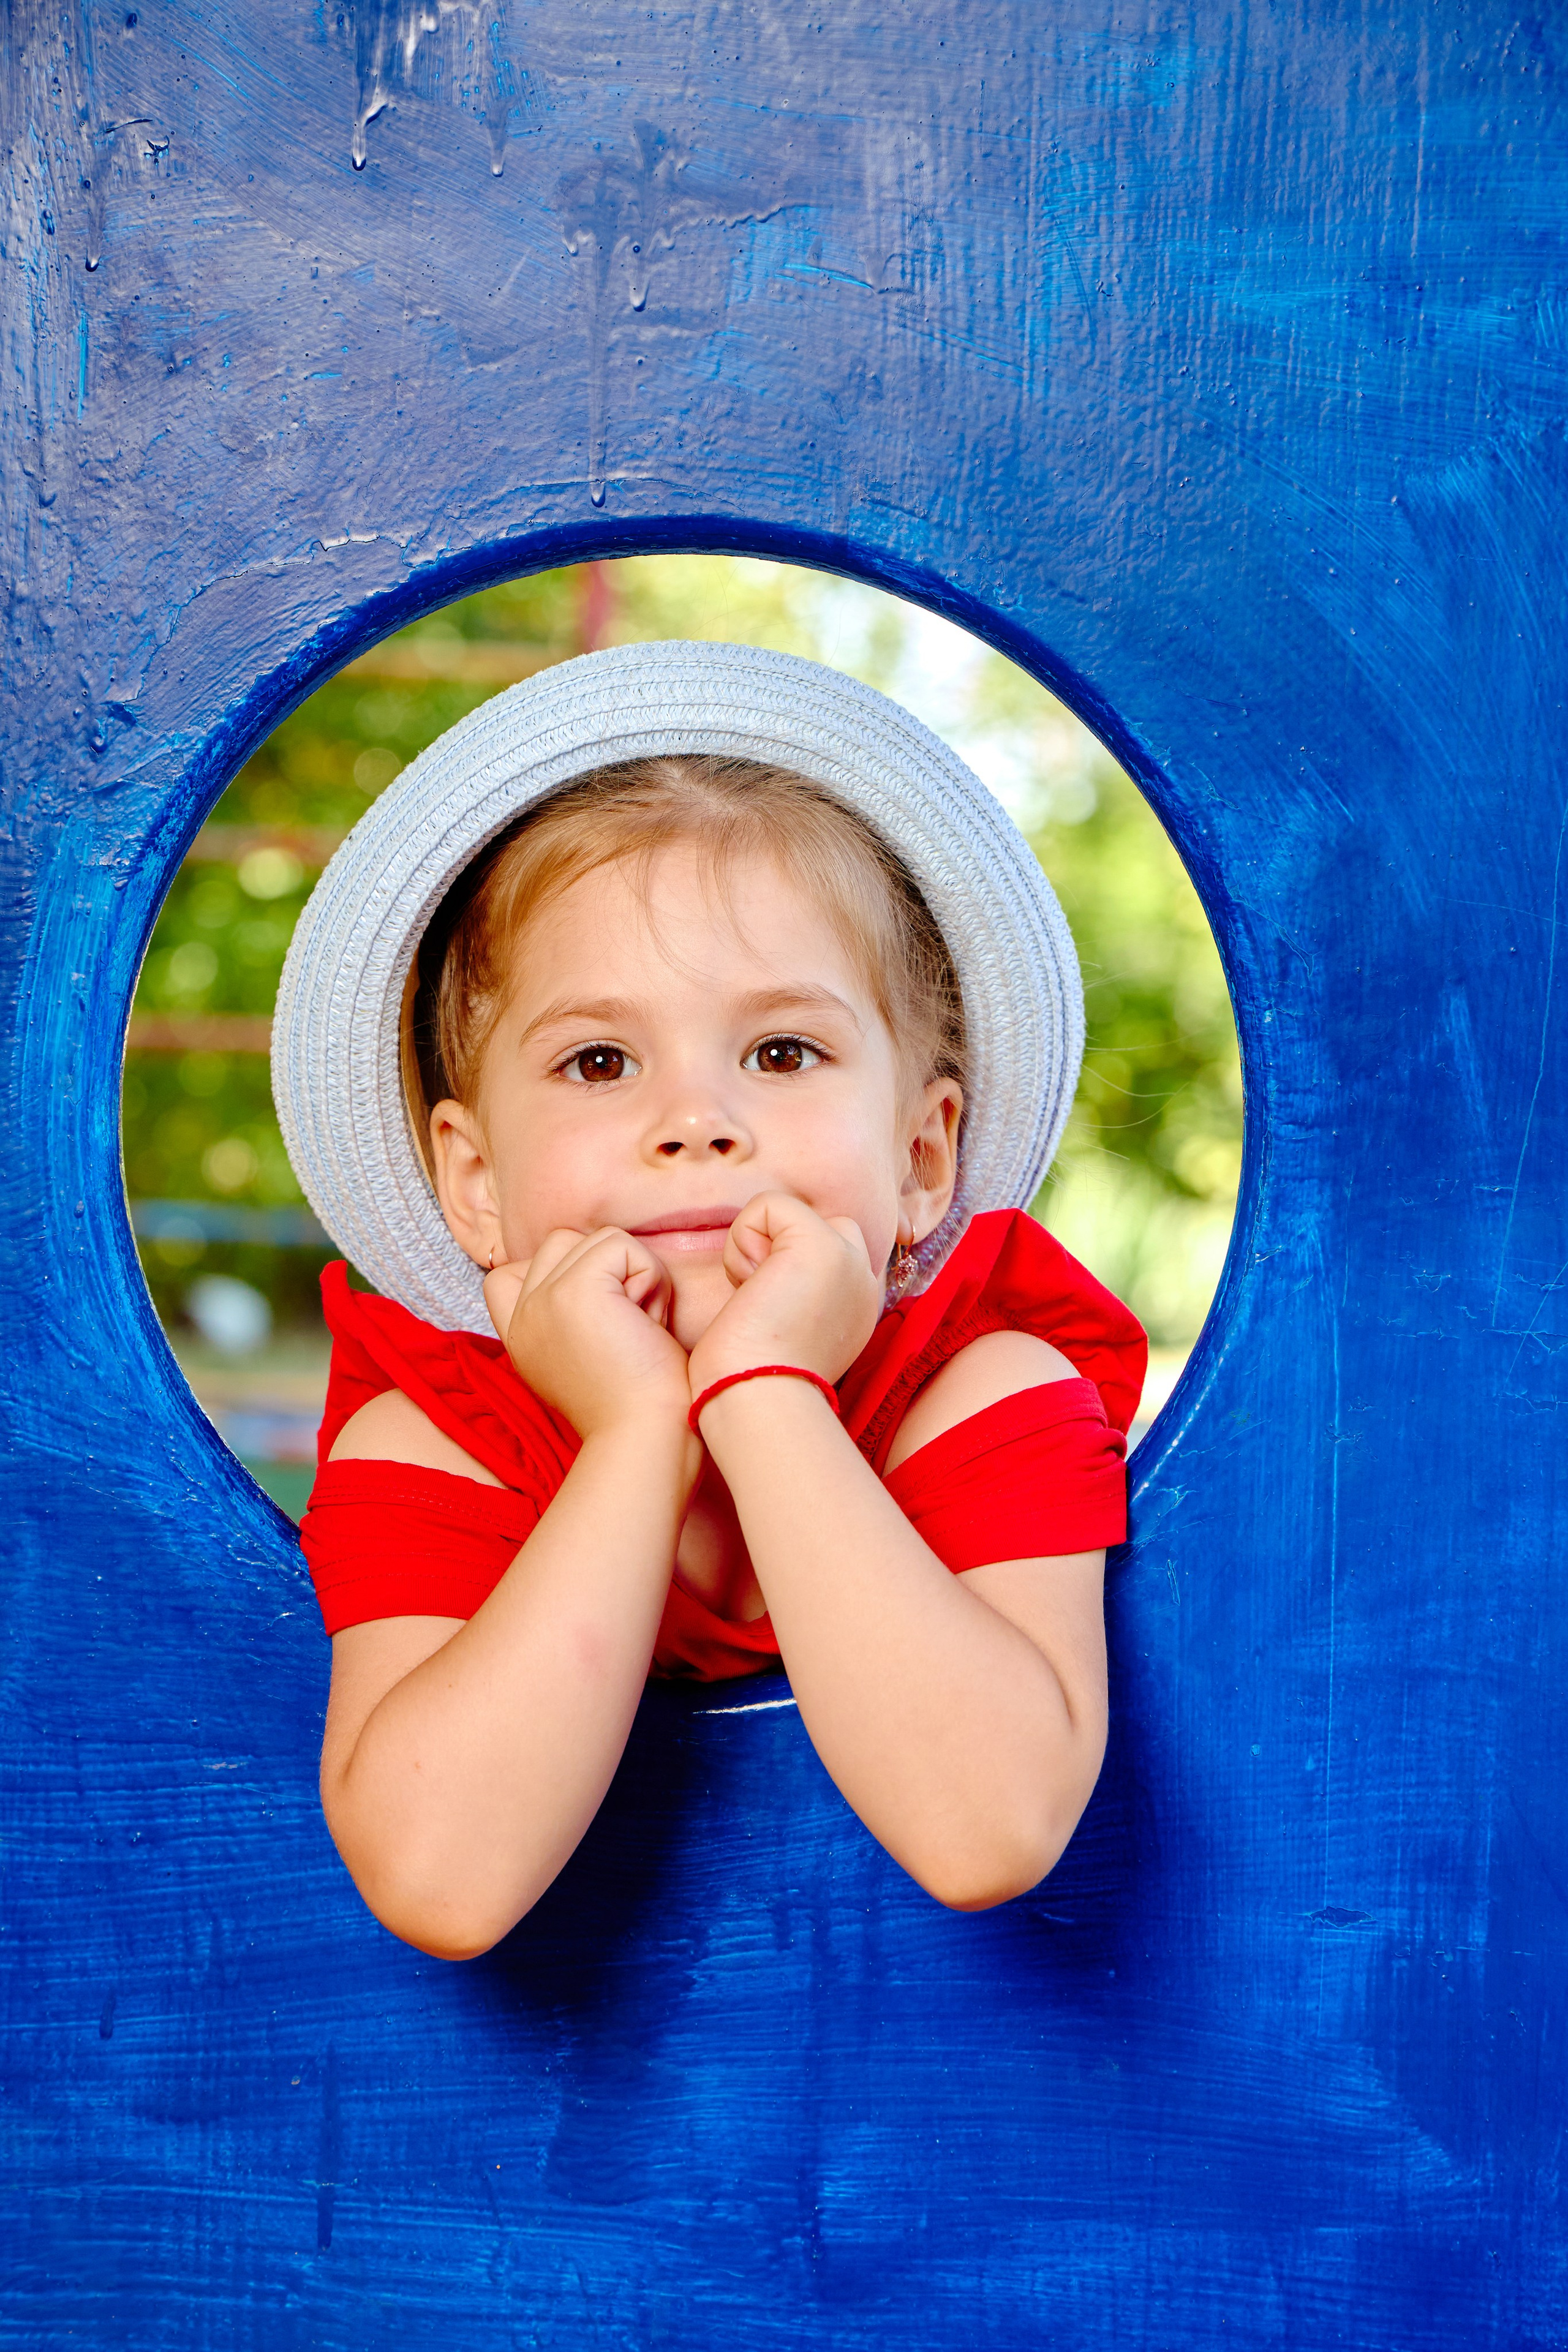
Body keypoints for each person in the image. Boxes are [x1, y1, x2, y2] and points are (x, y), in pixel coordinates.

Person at [274, 642, 1145, 1961]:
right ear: (475, 1182)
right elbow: (441, 1882)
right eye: (599, 1061)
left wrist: (762, 1392)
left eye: (781, 1051)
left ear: (920, 1158)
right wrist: (634, 1435)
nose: (694, 1120)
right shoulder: (438, 1437)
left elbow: (988, 1831)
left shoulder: (984, 1387)